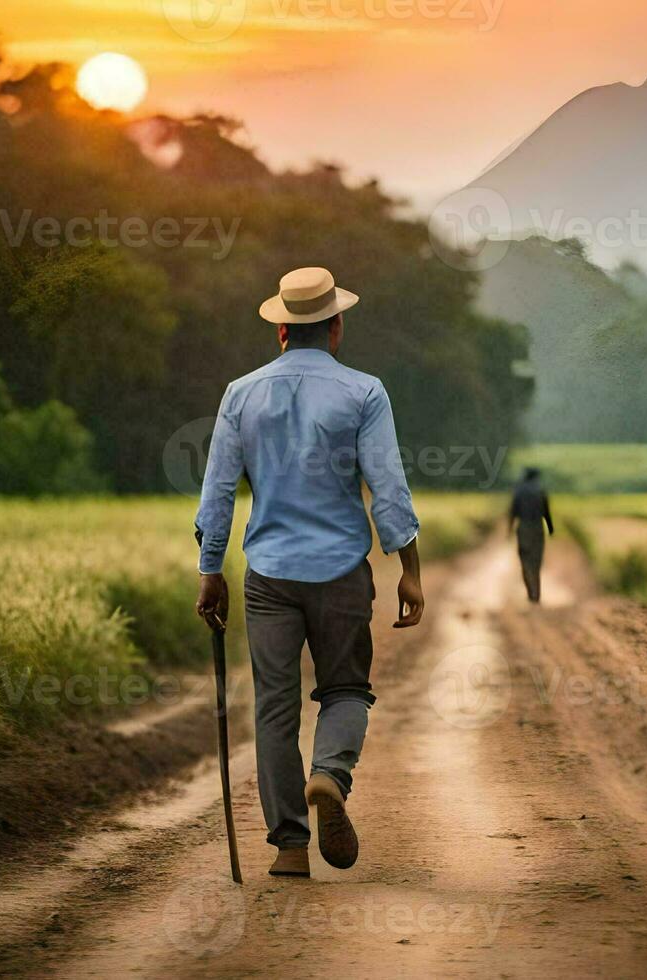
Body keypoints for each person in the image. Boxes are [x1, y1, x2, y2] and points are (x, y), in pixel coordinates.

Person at [194, 266, 424, 878]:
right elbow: (389, 487)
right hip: (342, 570)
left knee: (273, 707)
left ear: (280, 331)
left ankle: (291, 848)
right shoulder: (365, 392)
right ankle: (328, 776)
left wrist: (209, 568)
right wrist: (410, 569)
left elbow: (218, 490)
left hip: (267, 573)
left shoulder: (240, 395)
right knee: (345, 689)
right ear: (336, 326)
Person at [509, 467, 553, 603]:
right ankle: (536, 594)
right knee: (536, 560)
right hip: (537, 528)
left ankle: (530, 592)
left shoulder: (519, 491)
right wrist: (550, 528)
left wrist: (509, 529)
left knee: (525, 559)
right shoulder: (541, 491)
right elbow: (546, 512)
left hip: (524, 527)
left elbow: (513, 512)